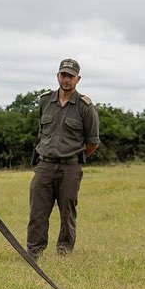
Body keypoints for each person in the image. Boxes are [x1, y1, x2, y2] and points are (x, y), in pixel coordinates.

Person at [26, 58, 100, 260]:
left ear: (78, 79)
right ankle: (33, 253)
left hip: (70, 168)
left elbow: (92, 141)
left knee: (67, 212)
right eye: (63, 75)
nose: (66, 79)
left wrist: (75, 157)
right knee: (37, 212)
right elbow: (41, 132)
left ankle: (64, 253)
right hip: (44, 165)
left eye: (70, 76)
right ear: (57, 76)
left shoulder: (85, 106)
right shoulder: (44, 101)